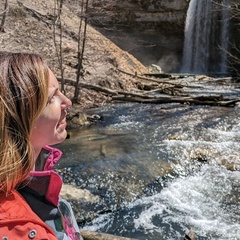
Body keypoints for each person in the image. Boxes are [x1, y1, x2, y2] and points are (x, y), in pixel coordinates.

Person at [0, 52, 84, 240]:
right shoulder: (15, 228)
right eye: (52, 98)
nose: (67, 102)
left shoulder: (33, 184)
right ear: (18, 118)